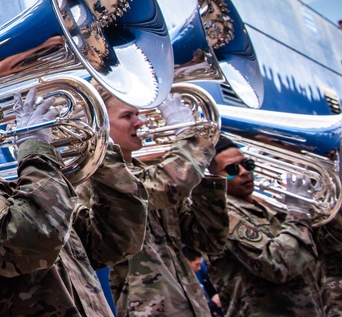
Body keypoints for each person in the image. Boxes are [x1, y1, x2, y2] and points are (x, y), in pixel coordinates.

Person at [0, 75, 147, 315]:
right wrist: (36, 147)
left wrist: (98, 147)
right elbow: (35, 237)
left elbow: (120, 238)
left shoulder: (23, 193)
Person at [102, 92, 228, 316]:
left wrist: (204, 174)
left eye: (138, 114)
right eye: (127, 116)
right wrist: (189, 139)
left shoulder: (146, 174)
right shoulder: (99, 177)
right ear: (100, 122)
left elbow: (208, 239)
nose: (139, 122)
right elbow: (167, 187)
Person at [206, 135, 325, 317]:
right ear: (213, 178)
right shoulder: (222, 216)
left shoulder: (265, 205)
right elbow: (277, 265)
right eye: (232, 169)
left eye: (247, 164)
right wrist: (297, 213)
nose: (244, 172)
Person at [183, 247, 224, 317]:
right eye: (197, 264)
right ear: (187, 262)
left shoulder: (200, 272)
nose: (199, 268)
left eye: (200, 264)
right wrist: (213, 304)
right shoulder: (182, 283)